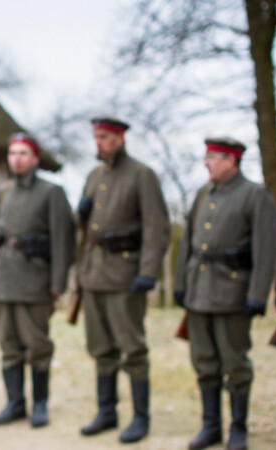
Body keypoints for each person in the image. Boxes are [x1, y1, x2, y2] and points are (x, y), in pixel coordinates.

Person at [173, 138, 276, 450]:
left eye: (213, 157)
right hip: (199, 292)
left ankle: (238, 429)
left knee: (235, 364)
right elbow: (188, 245)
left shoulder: (255, 195)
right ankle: (211, 427)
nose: (206, 163)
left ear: (231, 161)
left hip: (233, 293)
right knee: (204, 361)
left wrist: (257, 295)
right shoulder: (204, 194)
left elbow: (266, 248)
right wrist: (181, 284)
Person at [76, 116, 171, 444]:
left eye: (104, 136)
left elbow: (157, 227)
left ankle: (141, 418)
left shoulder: (141, 175)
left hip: (125, 275)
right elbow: (85, 232)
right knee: (101, 347)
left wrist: (148, 272)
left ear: (119, 138)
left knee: (132, 349)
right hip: (95, 274)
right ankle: (107, 411)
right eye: (96, 136)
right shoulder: (94, 175)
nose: (98, 142)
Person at [0, 132, 75, 428]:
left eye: (23, 153)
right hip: (3, 280)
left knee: (38, 347)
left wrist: (58, 285)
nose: (17, 159)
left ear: (34, 159)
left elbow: (63, 241)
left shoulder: (51, 192)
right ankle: (15, 403)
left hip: (35, 282)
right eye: (13, 153)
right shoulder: (2, 191)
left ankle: (40, 404)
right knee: (8, 345)